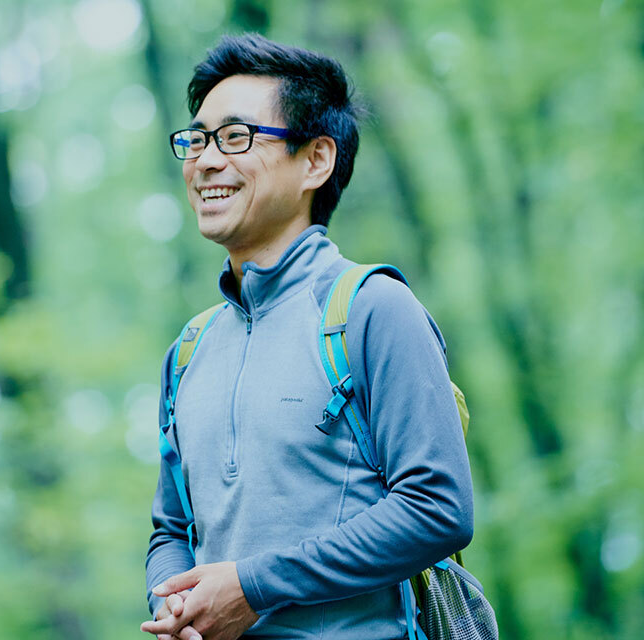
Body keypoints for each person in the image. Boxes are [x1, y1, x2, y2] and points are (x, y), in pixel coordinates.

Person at [140, 33, 475, 640]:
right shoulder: (189, 350)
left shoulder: (373, 309)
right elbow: (170, 529)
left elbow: (438, 510)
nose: (206, 160)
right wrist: (173, 602)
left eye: (236, 137)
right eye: (196, 139)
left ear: (316, 160)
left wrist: (252, 587)